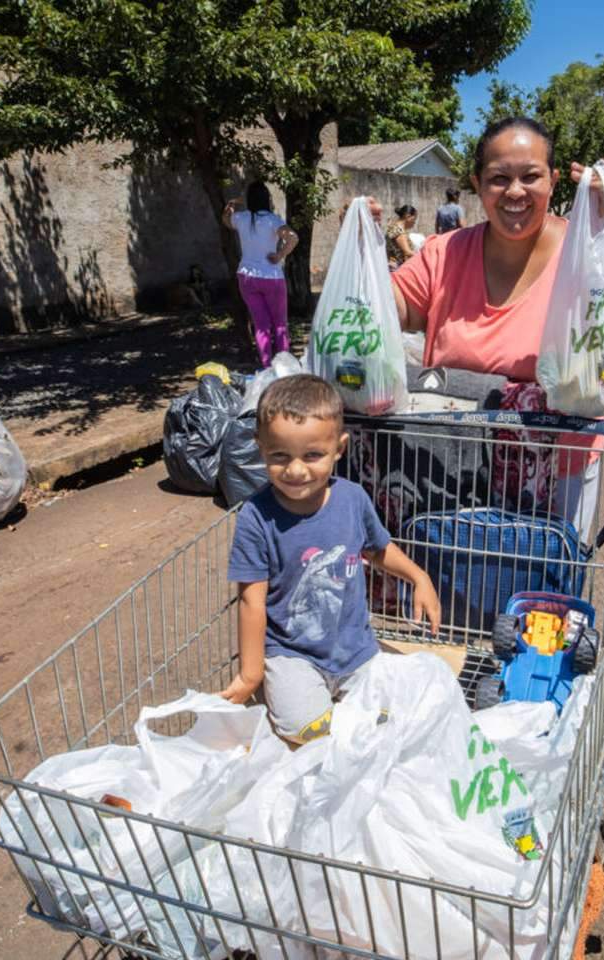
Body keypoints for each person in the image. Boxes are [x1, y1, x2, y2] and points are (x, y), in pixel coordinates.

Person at [376, 116, 604, 530]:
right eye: (499, 178)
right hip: (449, 469)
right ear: (477, 183)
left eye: (530, 176)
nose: (514, 191)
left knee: (539, 591)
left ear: (553, 181)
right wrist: (364, 249)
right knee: (454, 588)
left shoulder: (586, 256)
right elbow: (385, 310)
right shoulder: (443, 254)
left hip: (558, 475)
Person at [222, 374, 441, 743]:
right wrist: (250, 674)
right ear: (260, 448)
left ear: (339, 448)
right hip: (292, 652)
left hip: (355, 647)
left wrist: (419, 577)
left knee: (402, 714)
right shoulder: (256, 517)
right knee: (299, 728)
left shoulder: (352, 499)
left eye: (312, 455)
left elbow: (378, 548)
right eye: (279, 456)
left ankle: (347, 713)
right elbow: (251, 601)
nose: (295, 470)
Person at [222, 181, 300, 367]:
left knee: (261, 325)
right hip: (272, 278)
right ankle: (284, 367)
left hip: (247, 277)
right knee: (280, 325)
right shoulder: (273, 220)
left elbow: (226, 220)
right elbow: (293, 237)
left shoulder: (241, 218)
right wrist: (280, 255)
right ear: (267, 199)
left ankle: (266, 366)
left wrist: (232, 203)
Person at [385, 204, 418, 269]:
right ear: (408, 217)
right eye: (414, 219)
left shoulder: (393, 227)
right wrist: (422, 256)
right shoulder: (399, 231)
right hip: (398, 269)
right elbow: (407, 252)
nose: (414, 222)